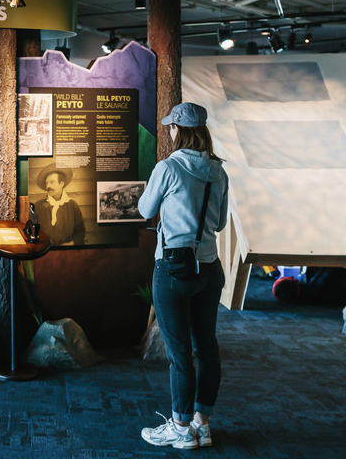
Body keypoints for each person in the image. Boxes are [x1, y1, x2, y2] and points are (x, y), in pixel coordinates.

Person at [137, 102, 229, 450]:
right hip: (209, 268)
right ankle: (201, 426)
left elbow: (146, 209)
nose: (169, 132)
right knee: (206, 349)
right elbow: (218, 223)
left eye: (171, 127)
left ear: (179, 129)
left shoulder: (168, 167)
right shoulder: (218, 170)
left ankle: (179, 427)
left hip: (175, 269)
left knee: (179, 354)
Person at [33, 163, 85, 246]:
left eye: (51, 182)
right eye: (46, 182)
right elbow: (32, 232)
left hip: (68, 253)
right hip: (45, 254)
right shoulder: (38, 206)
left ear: (61, 184)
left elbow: (80, 230)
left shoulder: (72, 205)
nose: (48, 186)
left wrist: (72, 243)